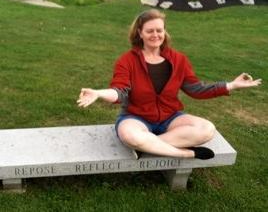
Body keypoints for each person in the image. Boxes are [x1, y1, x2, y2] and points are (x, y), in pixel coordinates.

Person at [77, 9, 262, 160]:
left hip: (170, 117)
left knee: (207, 129)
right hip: (136, 117)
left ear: (165, 32)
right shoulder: (127, 61)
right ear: (140, 33)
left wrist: (232, 85)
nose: (155, 35)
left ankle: (148, 146)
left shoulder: (178, 60)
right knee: (130, 135)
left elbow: (196, 89)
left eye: (159, 30)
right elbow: (120, 92)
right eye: (150, 31)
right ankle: (185, 153)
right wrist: (99, 93)